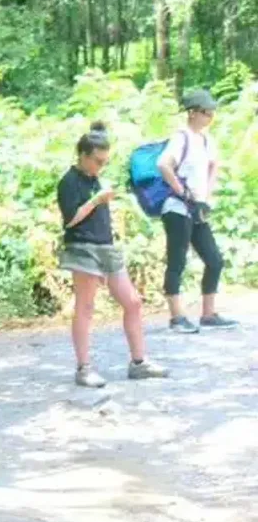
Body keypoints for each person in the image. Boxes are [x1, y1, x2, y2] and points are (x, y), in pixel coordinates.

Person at [57, 122, 169, 388]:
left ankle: (139, 362)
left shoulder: (97, 178)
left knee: (132, 302)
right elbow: (71, 219)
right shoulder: (69, 181)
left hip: (106, 245)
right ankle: (84, 368)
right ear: (83, 156)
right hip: (83, 247)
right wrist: (96, 201)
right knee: (85, 306)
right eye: (97, 161)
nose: (100, 166)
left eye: (105, 162)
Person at [157, 89, 236, 333]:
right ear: (192, 113)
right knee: (177, 260)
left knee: (215, 260)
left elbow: (214, 165)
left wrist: (206, 197)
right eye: (206, 112)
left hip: (197, 209)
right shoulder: (181, 137)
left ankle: (208, 313)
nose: (210, 116)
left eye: (212, 111)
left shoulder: (205, 139)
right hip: (177, 208)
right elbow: (163, 164)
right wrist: (182, 191)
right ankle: (176, 316)